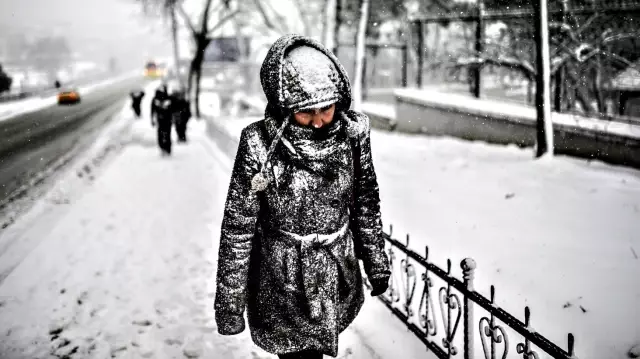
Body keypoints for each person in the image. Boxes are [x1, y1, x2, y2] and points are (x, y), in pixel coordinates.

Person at [214, 34, 391, 359]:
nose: (320, 119)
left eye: (327, 107)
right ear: (283, 105)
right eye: (306, 111)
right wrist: (230, 302)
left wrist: (375, 260)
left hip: (333, 274)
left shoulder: (352, 137)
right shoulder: (259, 145)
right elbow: (238, 227)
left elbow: (365, 201)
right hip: (282, 282)